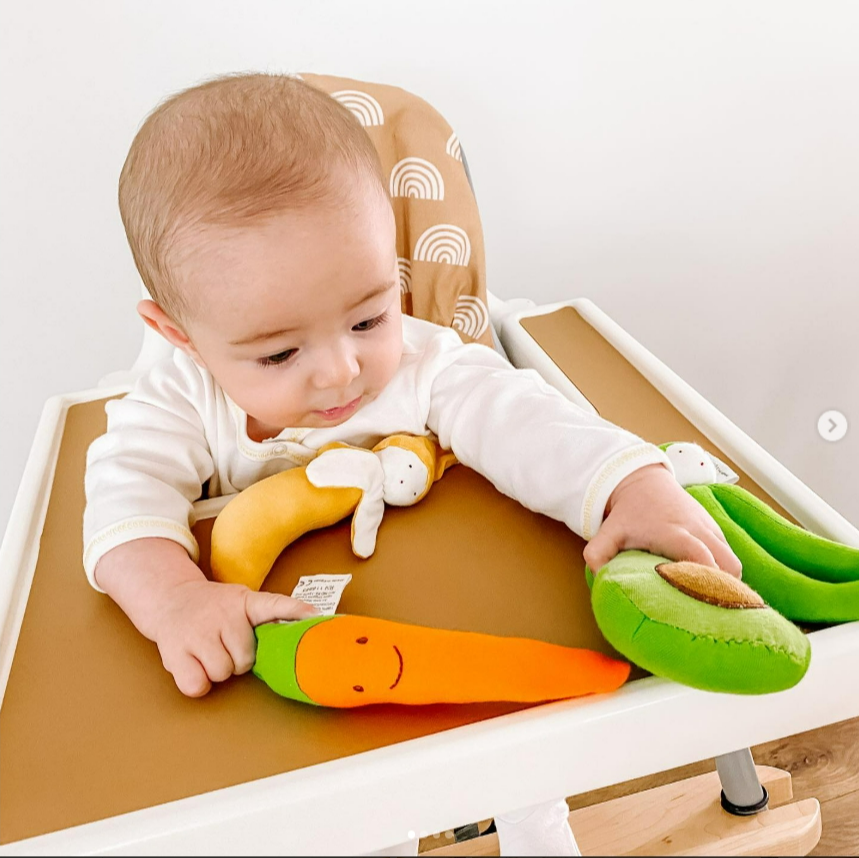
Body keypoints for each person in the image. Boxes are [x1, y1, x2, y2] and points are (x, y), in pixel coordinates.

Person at [84, 73, 741, 855]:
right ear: (179, 333)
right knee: (352, 816)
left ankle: (534, 829)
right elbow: (123, 500)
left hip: (457, 632)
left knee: (519, 754)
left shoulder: (423, 362)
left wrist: (630, 486)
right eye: (280, 352)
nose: (340, 372)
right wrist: (178, 603)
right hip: (308, 672)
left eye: (367, 316)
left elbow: (522, 420)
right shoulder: (177, 394)